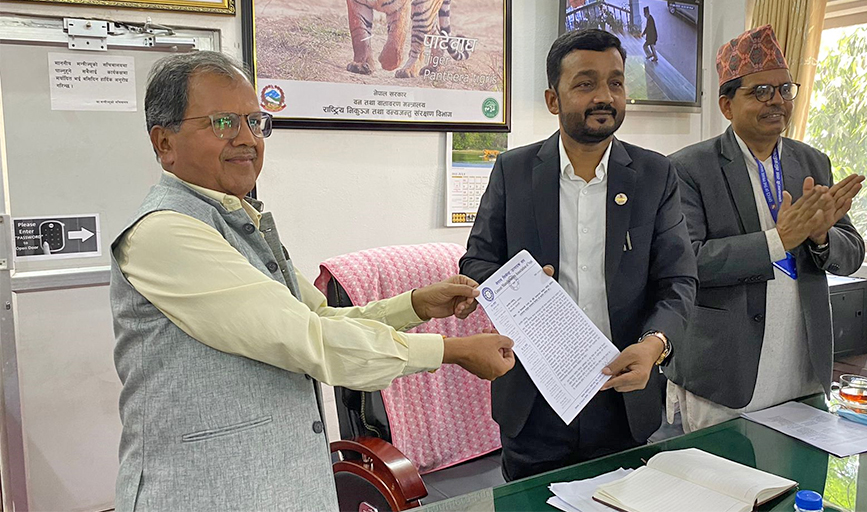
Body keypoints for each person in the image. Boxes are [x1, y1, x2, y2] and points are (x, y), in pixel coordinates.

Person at [110, 51, 516, 511]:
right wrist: (451, 351)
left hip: (282, 484)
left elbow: (320, 316)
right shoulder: (165, 232)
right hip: (207, 492)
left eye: (255, 122)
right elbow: (305, 338)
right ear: (164, 142)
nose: (247, 139)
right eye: (223, 122)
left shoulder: (238, 218)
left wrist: (417, 305)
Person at [459, 29, 697, 481]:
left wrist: (654, 346)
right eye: (586, 83)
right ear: (553, 99)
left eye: (616, 82)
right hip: (534, 400)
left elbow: (678, 280)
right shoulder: (513, 170)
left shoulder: (654, 174)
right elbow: (476, 261)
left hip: (623, 396)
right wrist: (522, 285)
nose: (604, 96)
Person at [665, 25, 866, 433]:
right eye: (760, 91)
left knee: (799, 469)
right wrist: (778, 241)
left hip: (802, 359)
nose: (776, 100)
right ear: (727, 105)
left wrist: (821, 238)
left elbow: (852, 253)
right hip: (725, 370)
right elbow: (689, 263)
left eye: (784, 89)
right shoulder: (687, 168)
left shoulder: (812, 162)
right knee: (722, 473)